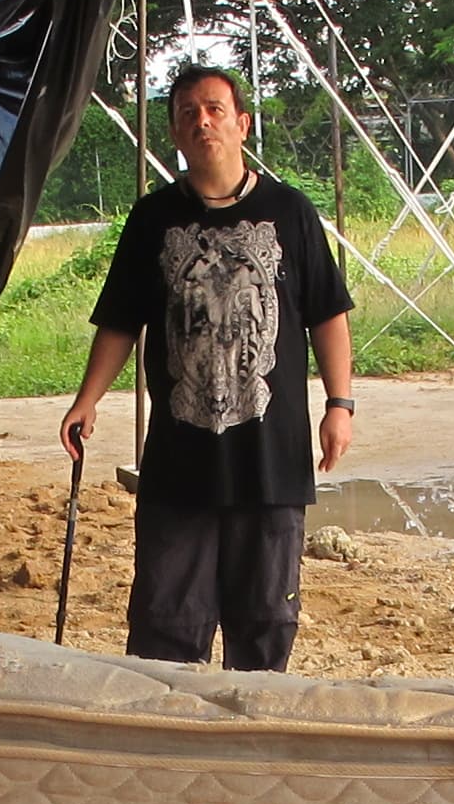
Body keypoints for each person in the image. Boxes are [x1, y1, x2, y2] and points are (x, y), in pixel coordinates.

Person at [60, 63, 356, 670]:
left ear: (242, 124)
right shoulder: (152, 220)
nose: (203, 122)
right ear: (175, 131)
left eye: (215, 109)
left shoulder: (291, 213)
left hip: (269, 459)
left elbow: (327, 315)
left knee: (266, 621)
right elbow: (120, 319)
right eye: (189, 112)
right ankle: (166, 746)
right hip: (180, 461)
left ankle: (252, 746)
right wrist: (87, 399)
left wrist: (339, 404)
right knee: (166, 621)